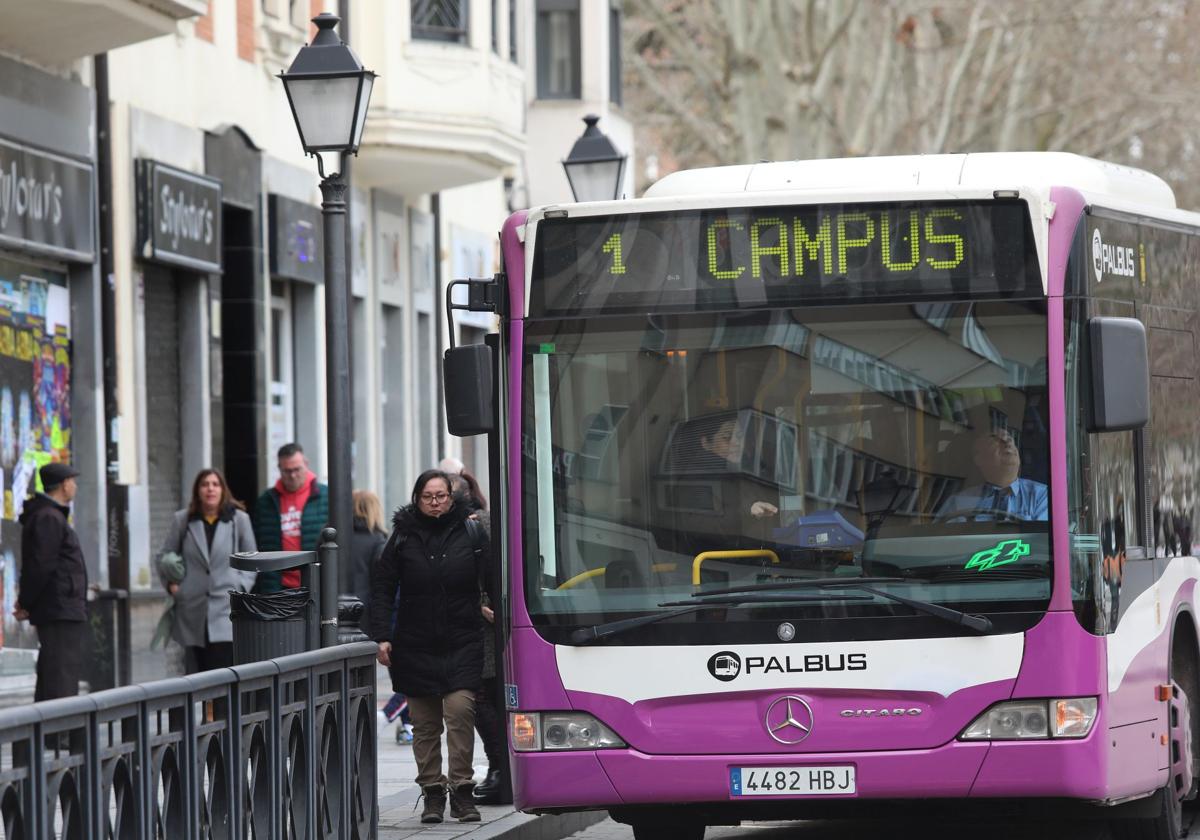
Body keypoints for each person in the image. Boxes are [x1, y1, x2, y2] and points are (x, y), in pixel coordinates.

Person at [370, 469, 488, 824]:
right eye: (428, 496)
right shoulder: (403, 536)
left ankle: (462, 792)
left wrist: (495, 607)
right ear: (417, 499)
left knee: (460, 713)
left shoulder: (471, 531)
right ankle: (433, 794)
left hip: (463, 638)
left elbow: (494, 574)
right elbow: (383, 586)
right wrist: (381, 635)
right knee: (423, 725)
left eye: (441, 496)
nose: (435, 502)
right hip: (415, 642)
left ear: (451, 498)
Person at [157, 469, 257, 673]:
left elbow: (252, 559)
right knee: (192, 677)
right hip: (191, 610)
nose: (210, 489)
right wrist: (172, 586)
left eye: (215, 484)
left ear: (222, 489)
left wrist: (240, 585)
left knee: (222, 675)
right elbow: (163, 556)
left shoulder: (238, 520)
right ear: (197, 491)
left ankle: (219, 707)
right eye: (205, 484)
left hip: (225, 607)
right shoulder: (183, 520)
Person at [451, 472, 505, 805]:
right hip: (481, 627)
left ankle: (500, 768)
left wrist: (484, 602)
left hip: (484, 630)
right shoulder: (484, 519)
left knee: (484, 699)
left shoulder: (476, 523)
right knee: (486, 699)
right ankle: (501, 768)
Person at [15, 462, 87, 701]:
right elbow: (40, 565)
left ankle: (44, 737)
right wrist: (26, 602)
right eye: (72, 481)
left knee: (54, 675)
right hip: (59, 610)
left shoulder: (50, 516)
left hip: (61, 608)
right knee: (60, 680)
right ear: (64, 485)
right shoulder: (49, 518)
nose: (75, 486)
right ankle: (59, 736)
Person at [252, 443, 329, 592]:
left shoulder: (326, 496)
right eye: (287, 471)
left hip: (316, 583)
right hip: (277, 585)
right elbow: (257, 544)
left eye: (297, 469)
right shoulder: (266, 501)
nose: (293, 475)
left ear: (306, 465)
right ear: (279, 469)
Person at [938, 427, 1049, 521]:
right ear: (978, 458)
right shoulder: (959, 501)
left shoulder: (1042, 496)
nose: (1008, 442)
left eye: (1011, 439)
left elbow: (1041, 545)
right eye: (996, 439)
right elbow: (940, 542)